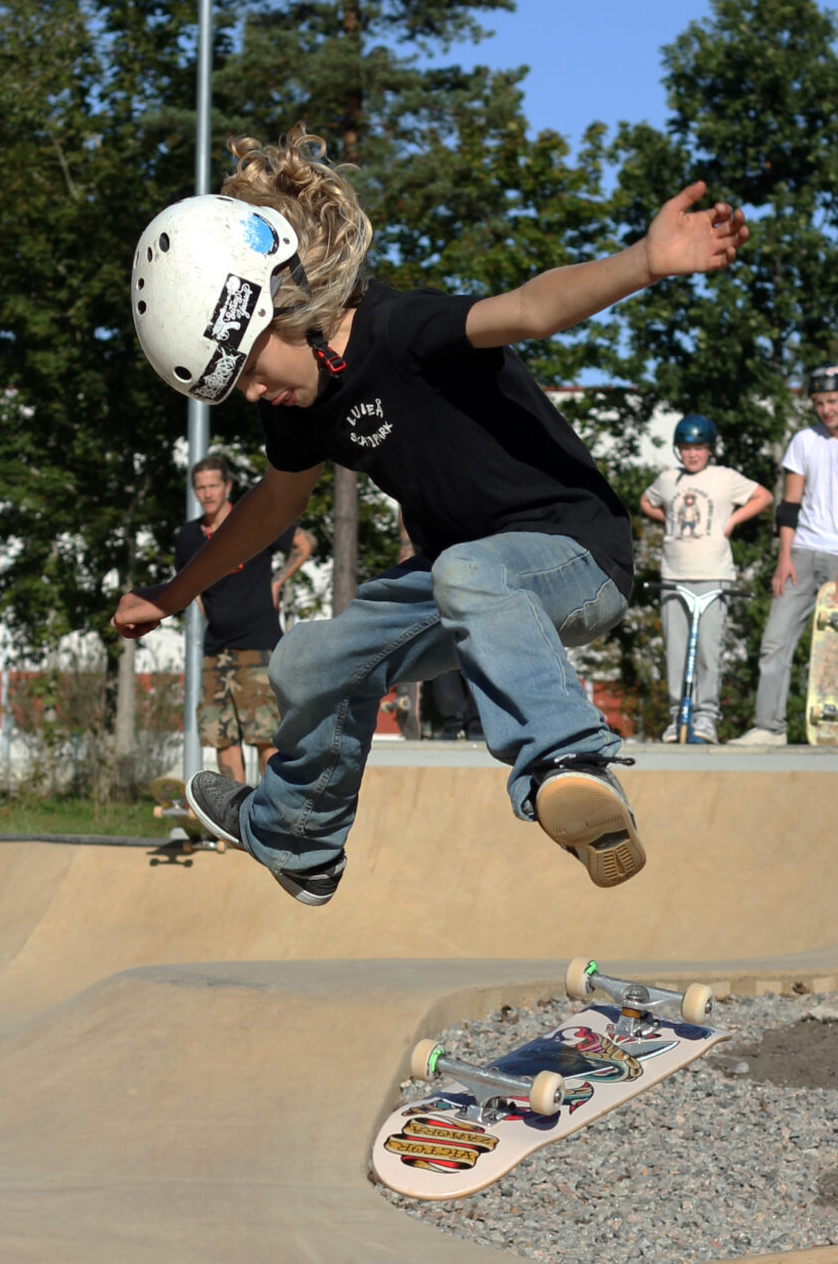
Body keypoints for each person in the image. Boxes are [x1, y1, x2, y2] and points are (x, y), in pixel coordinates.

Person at [113, 124, 747, 905]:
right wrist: (174, 595)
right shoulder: (299, 405)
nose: (251, 394)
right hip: (462, 584)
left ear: (290, 306)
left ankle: (568, 762)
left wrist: (643, 264)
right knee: (310, 659)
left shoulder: (401, 330)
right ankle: (297, 837)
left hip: (575, 559)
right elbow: (270, 508)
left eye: (247, 368)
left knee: (466, 568)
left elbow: (529, 309)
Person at [733, 365, 838, 748]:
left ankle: (830, 734)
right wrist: (784, 556)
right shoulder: (804, 441)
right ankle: (770, 728)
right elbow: (789, 504)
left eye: (832, 401)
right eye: (818, 403)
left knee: (837, 648)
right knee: (774, 641)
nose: (826, 410)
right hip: (801, 553)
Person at [175, 453, 314, 782]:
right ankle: (234, 822)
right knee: (221, 739)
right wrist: (203, 606)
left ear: (228, 487)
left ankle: (266, 818)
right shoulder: (188, 536)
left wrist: (278, 581)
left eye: (213, 486)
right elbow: (186, 581)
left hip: (259, 647)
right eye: (201, 488)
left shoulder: (252, 520)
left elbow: (304, 543)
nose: (207, 493)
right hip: (216, 650)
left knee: (266, 737)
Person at [640, 414, 771, 743]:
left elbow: (764, 496)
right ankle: (677, 716)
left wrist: (732, 522)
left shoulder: (724, 478)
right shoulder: (669, 479)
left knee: (709, 650)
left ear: (710, 450)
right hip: (673, 575)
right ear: (677, 450)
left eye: (698, 448)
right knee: (675, 649)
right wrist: (666, 517)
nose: (692, 455)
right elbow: (646, 501)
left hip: (713, 575)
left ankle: (706, 718)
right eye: (685, 448)